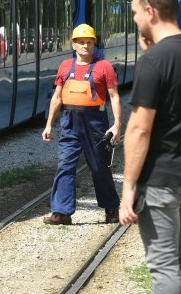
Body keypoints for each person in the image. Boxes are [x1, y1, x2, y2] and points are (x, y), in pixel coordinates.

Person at [119, 0, 181, 294]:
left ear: (150, 11)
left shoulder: (153, 61)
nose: (134, 20)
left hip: (161, 181)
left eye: (135, 12)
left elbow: (139, 129)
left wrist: (128, 187)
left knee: (163, 264)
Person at [42, 23, 122, 225]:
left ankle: (112, 209)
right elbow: (57, 98)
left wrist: (117, 125)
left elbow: (114, 97)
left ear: (94, 44)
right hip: (70, 122)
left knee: (99, 167)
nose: (85, 46)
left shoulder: (104, 67)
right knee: (65, 166)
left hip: (95, 122)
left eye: (89, 42)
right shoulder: (65, 67)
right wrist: (49, 125)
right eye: (81, 42)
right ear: (74, 45)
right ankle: (61, 212)